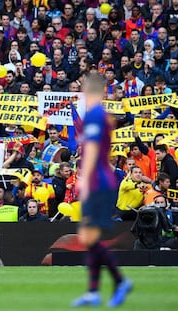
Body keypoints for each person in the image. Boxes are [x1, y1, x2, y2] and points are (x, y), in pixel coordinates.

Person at [72, 73, 132, 308]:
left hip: (98, 181)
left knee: (89, 236)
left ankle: (116, 282)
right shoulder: (96, 116)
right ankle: (96, 291)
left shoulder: (96, 115)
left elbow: (94, 149)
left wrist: (84, 178)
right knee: (89, 236)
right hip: (100, 180)